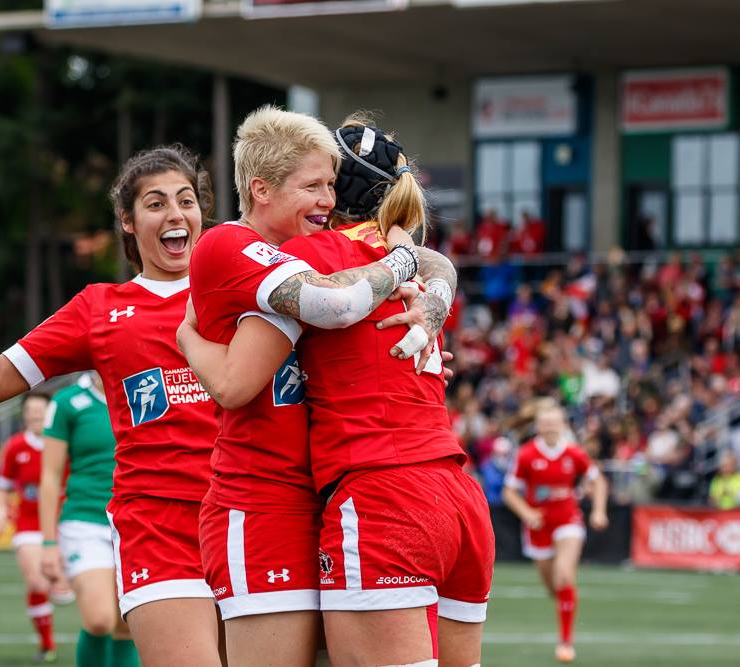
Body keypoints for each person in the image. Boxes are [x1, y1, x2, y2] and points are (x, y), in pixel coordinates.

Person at [181, 115, 492, 667]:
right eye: (311, 184)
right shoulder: (388, 262)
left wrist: (185, 336)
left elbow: (241, 376)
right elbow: (428, 265)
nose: (322, 198)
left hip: (370, 496)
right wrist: (422, 275)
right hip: (440, 495)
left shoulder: (316, 258)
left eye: (328, 183)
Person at [0, 146, 223, 667]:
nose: (175, 214)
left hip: (252, 518)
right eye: (156, 204)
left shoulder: (243, 290)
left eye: (186, 200)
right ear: (129, 222)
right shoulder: (99, 307)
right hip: (158, 528)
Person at [39, 373, 139, 667]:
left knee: (127, 625)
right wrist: (48, 543)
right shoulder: (67, 402)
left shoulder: (143, 390)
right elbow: (50, 476)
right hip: (84, 519)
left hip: (134, 521)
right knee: (99, 619)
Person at [503, 404, 609, 663]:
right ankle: (564, 601)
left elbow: (598, 481)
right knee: (553, 586)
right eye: (545, 422)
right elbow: (509, 492)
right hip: (538, 526)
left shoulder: (574, 453)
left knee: (564, 575)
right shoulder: (526, 455)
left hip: (568, 521)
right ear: (538, 426)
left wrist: (598, 510)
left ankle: (565, 642)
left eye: (554, 422)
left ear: (563, 425)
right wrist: (527, 512)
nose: (550, 427)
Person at [0, 391, 69, 662]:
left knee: (80, 590)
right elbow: (2, 486)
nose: (35, 418)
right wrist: (0, 512)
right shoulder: (16, 447)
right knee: (37, 581)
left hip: (65, 523)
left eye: (40, 413)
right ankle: (47, 645)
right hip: (28, 524)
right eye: (30, 413)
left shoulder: (64, 444)